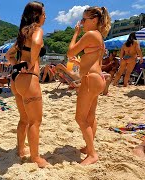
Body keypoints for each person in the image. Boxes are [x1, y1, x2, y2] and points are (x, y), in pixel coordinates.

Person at [67, 6, 111, 165]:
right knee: (90, 116)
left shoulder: (90, 34)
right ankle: (88, 146)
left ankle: (92, 154)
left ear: (94, 20)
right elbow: (95, 61)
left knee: (80, 118)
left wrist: (76, 33)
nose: (81, 22)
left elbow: (70, 52)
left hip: (90, 79)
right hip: (97, 78)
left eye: (84, 20)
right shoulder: (99, 36)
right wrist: (81, 62)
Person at [6, 1, 47, 168]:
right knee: (35, 121)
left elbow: (9, 55)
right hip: (29, 77)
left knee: (24, 119)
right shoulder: (37, 30)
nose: (45, 17)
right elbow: (37, 43)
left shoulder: (22, 33)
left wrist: (18, 63)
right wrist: (31, 61)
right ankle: (35, 157)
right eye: (44, 14)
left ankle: (21, 149)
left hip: (16, 77)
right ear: (37, 15)